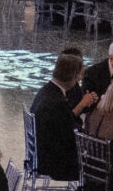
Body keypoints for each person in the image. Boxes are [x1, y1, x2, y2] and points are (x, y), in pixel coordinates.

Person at [27, 49, 83, 180]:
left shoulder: (45, 91)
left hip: (39, 155)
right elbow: (71, 137)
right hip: (53, 164)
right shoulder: (57, 103)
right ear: (74, 77)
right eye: (79, 76)